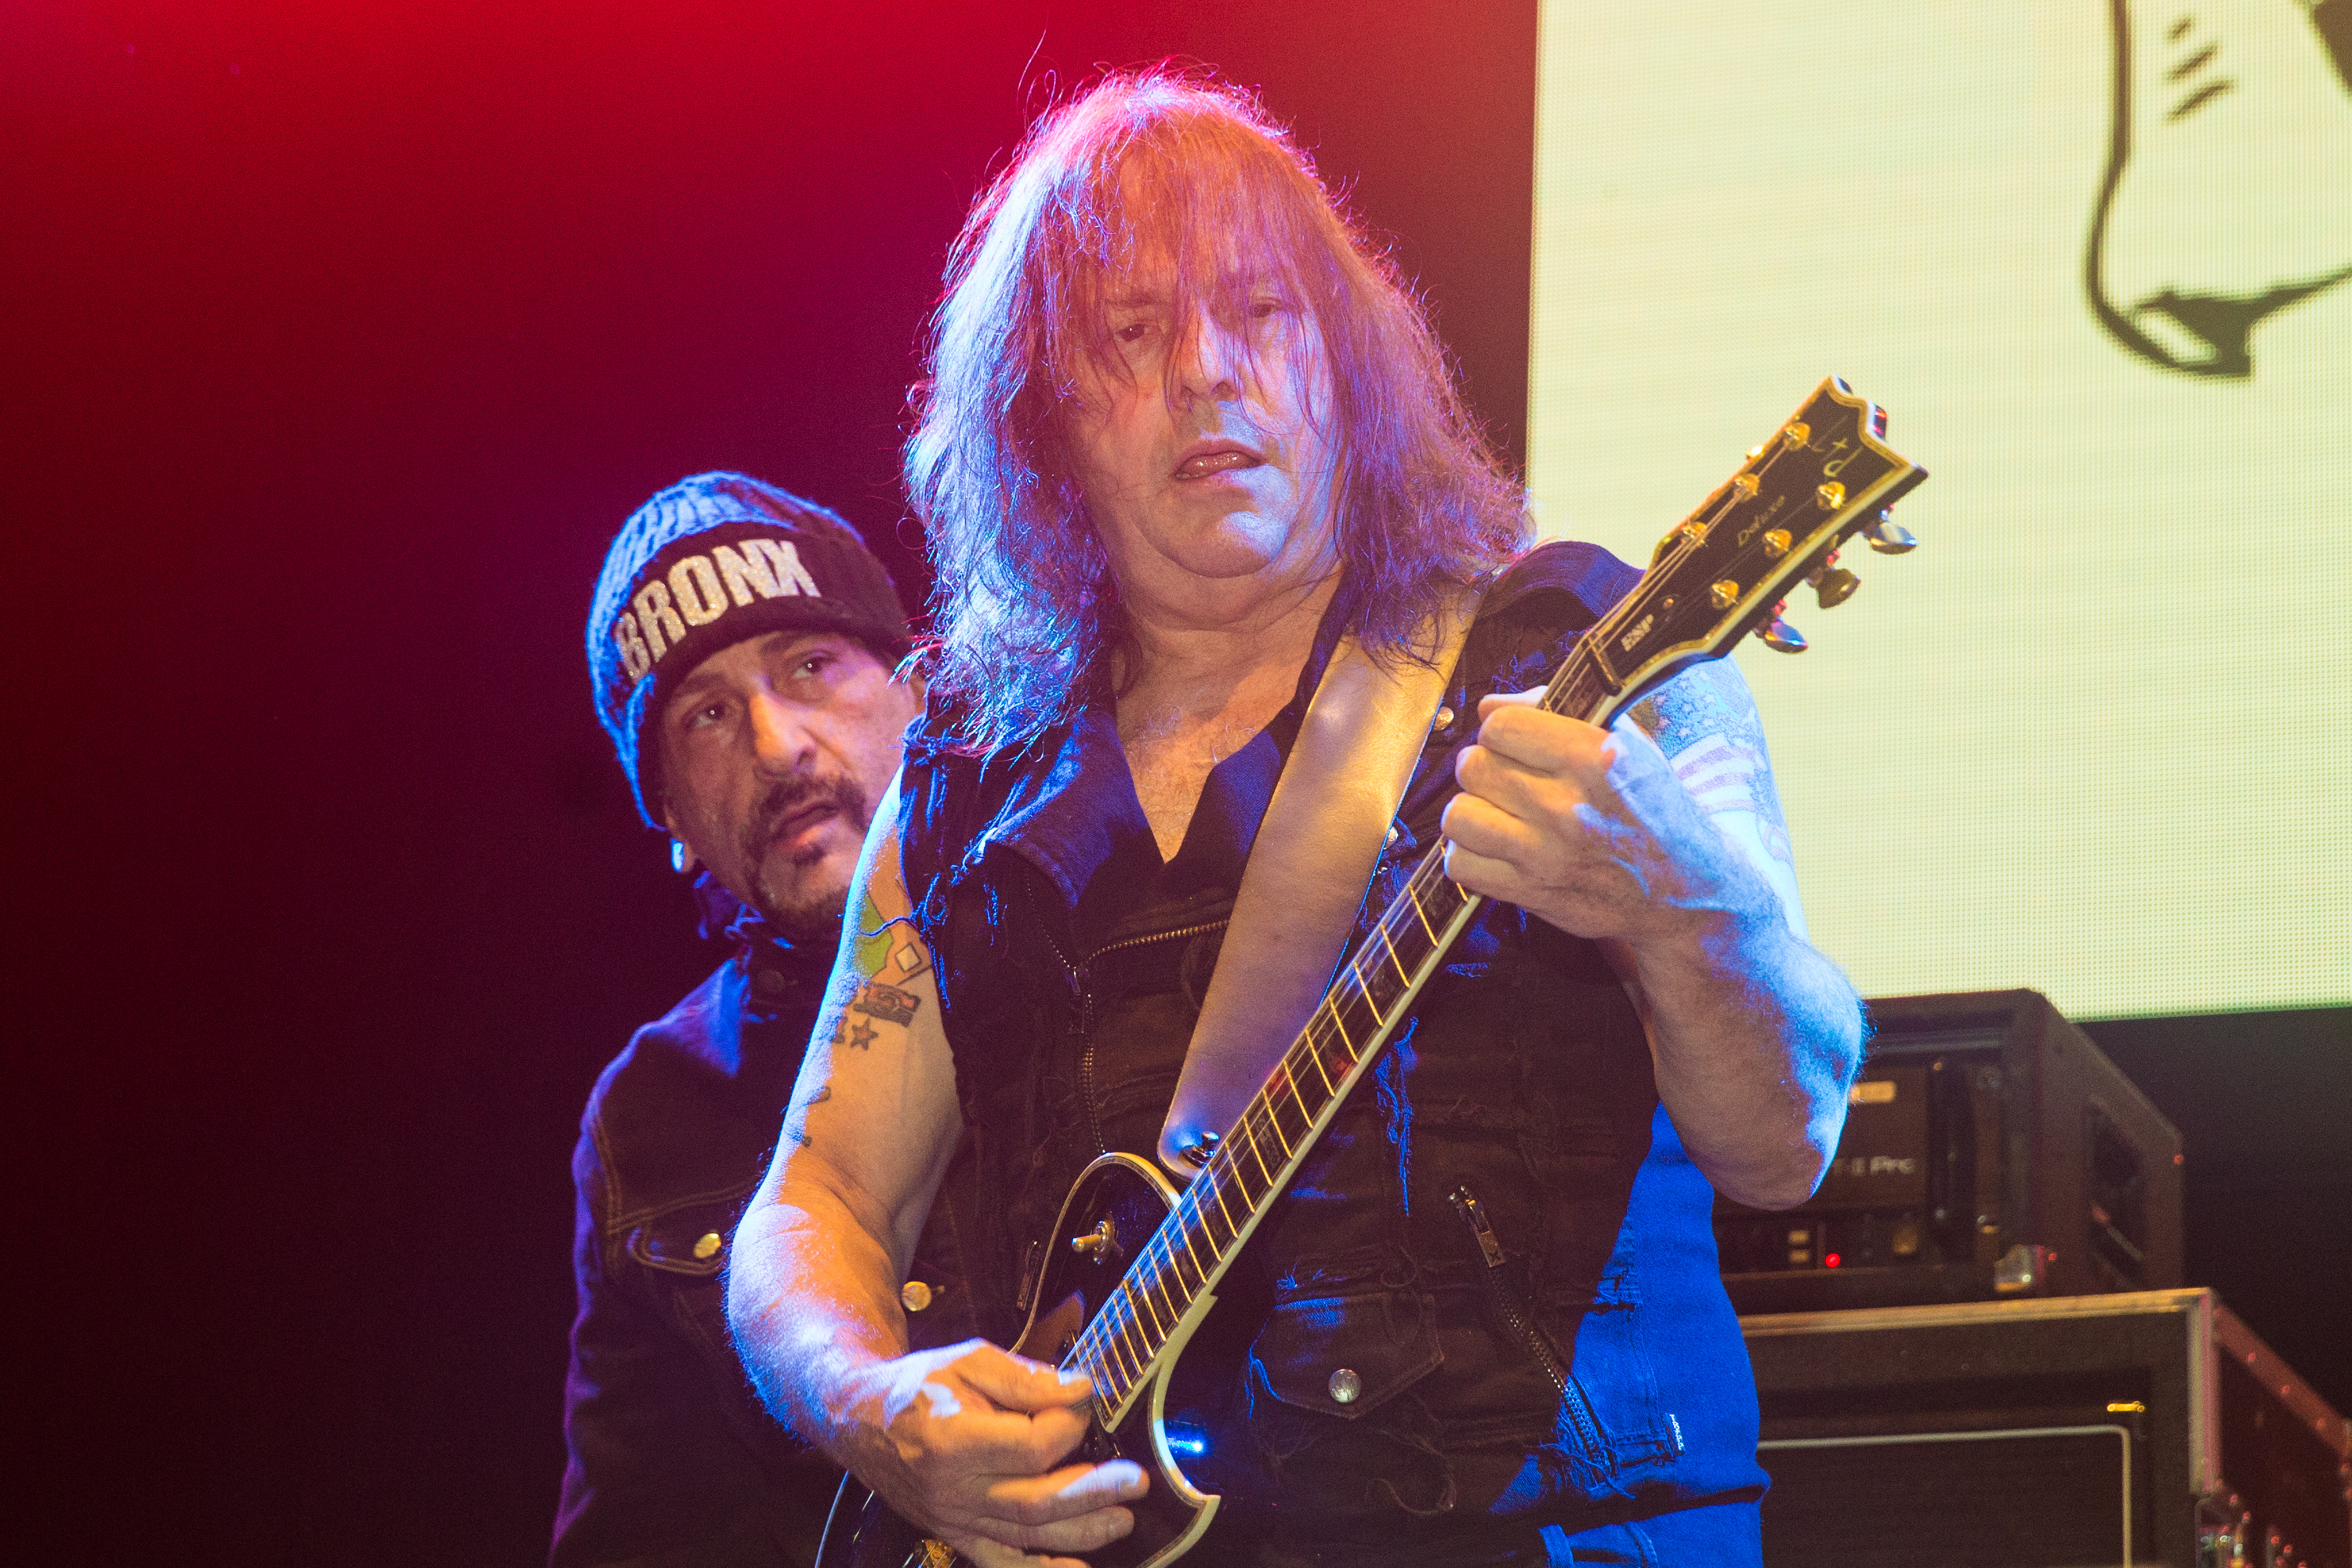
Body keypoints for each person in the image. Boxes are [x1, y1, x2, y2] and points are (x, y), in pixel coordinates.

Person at [726, 74, 1864, 1568]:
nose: (1208, 370)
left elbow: (1788, 1142)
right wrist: (870, 1405)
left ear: (1346, 363)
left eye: (1262, 312)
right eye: (1132, 333)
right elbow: (815, 1200)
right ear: (1042, 419)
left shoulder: (1583, 653)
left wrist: (1684, 908)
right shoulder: (963, 786)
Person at [554, 473, 963, 1567]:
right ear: (670, 819)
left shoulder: (1090, 920)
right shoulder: (649, 1117)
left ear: (919, 688)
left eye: (811, 666)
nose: (779, 747)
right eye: (709, 715)